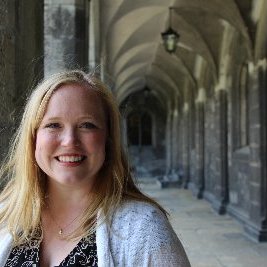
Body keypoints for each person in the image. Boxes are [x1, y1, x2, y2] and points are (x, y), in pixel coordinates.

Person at [0, 70, 191, 267]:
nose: (69, 141)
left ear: (108, 139)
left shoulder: (144, 230)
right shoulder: (6, 217)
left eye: (87, 125)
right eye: (53, 125)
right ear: (33, 137)